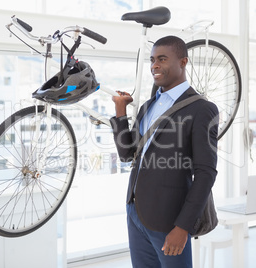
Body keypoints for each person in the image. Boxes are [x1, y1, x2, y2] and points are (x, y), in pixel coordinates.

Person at [110, 35, 219, 267]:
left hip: (170, 221)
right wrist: (120, 112)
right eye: (152, 60)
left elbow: (206, 173)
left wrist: (183, 228)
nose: (154, 66)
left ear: (183, 62)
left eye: (162, 59)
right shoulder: (148, 106)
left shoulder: (202, 109)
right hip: (135, 212)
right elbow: (128, 155)